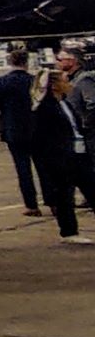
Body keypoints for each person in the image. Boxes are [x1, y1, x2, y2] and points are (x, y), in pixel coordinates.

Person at [34, 70, 94, 244]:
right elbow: (42, 137)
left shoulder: (65, 103)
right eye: (65, 81)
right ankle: (69, 232)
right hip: (61, 158)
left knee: (92, 188)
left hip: (79, 153)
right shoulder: (46, 109)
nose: (70, 85)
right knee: (65, 196)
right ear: (54, 85)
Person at [0, 47, 41, 216]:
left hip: (14, 130)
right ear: (27, 62)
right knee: (44, 167)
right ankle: (53, 201)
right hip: (37, 128)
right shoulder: (35, 82)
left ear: (10, 61)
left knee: (23, 169)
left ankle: (31, 204)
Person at [55, 48, 95, 209]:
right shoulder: (70, 80)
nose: (57, 62)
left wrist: (85, 124)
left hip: (90, 130)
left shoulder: (84, 80)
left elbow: (92, 103)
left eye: (60, 59)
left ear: (72, 61)